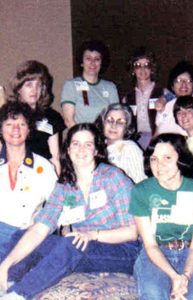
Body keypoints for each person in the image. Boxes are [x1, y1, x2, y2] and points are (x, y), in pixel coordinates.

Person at [0, 123, 140, 299]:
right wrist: (6, 264)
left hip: (122, 251)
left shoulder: (113, 177)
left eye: (88, 144)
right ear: (67, 148)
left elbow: (132, 232)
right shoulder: (65, 185)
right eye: (75, 143)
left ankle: (18, 294)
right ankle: (8, 281)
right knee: (21, 236)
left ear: (96, 150)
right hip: (83, 247)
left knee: (70, 243)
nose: (81, 149)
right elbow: (39, 228)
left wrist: (92, 235)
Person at [130, 133, 193, 300]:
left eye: (167, 158)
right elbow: (150, 245)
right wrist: (175, 276)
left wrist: (186, 276)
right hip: (156, 253)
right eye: (154, 159)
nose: (159, 165)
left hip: (192, 253)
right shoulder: (141, 191)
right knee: (153, 295)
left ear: (180, 158)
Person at [0, 101, 57, 257]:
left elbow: (59, 205)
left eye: (22, 124)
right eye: (9, 124)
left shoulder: (43, 166)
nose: (16, 129)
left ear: (29, 129)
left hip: (27, 237)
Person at [8, 60, 66, 174]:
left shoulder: (52, 116)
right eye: (29, 85)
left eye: (38, 85)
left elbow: (55, 157)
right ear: (19, 88)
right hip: (15, 172)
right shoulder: (9, 115)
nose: (34, 90)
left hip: (43, 173)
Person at [61, 40, 119, 127]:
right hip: (80, 137)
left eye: (97, 59)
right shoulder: (71, 85)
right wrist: (84, 138)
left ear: (101, 62)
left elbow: (116, 118)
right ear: (82, 62)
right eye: (88, 58)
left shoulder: (110, 87)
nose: (92, 63)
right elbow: (69, 120)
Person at [122, 47, 163, 149]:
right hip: (135, 142)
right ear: (133, 70)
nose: (142, 69)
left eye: (147, 65)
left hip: (157, 140)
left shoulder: (163, 93)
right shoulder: (126, 98)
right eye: (138, 65)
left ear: (152, 69)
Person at [95, 103, 146, 183]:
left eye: (120, 122)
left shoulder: (130, 148)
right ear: (103, 123)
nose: (113, 126)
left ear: (126, 128)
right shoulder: (97, 148)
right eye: (109, 120)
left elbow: (140, 183)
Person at [155, 61, 193, 135]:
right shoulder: (165, 105)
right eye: (179, 80)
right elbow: (158, 131)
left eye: (188, 81)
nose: (183, 84)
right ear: (172, 86)